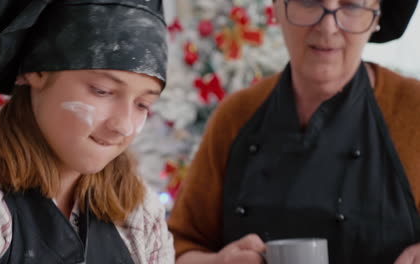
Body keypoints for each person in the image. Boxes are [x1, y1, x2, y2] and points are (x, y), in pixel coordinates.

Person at [168, 0, 420, 263]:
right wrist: (218, 262)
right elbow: (175, 249)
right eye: (309, 1)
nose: (328, 26)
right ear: (277, 8)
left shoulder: (414, 110)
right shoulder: (234, 115)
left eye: (352, 5)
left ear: (376, 17)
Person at [0, 0, 173, 263]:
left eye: (143, 105)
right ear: (37, 71)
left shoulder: (140, 209)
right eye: (102, 91)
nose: (123, 126)